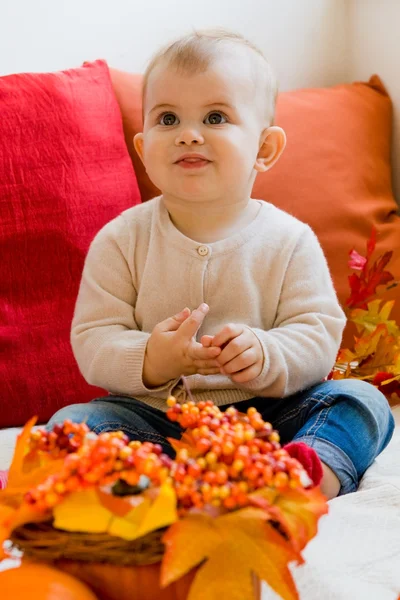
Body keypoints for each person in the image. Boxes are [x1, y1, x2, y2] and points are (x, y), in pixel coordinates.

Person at [48, 29, 394, 500]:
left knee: (364, 402)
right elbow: (93, 338)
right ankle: (146, 489)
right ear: (144, 148)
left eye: (215, 116)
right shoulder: (121, 240)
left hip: (269, 419)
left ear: (264, 149)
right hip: (156, 420)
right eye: (168, 118)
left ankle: (298, 481)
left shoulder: (290, 241)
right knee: (72, 424)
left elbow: (317, 331)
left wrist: (266, 353)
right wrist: (153, 357)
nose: (189, 133)